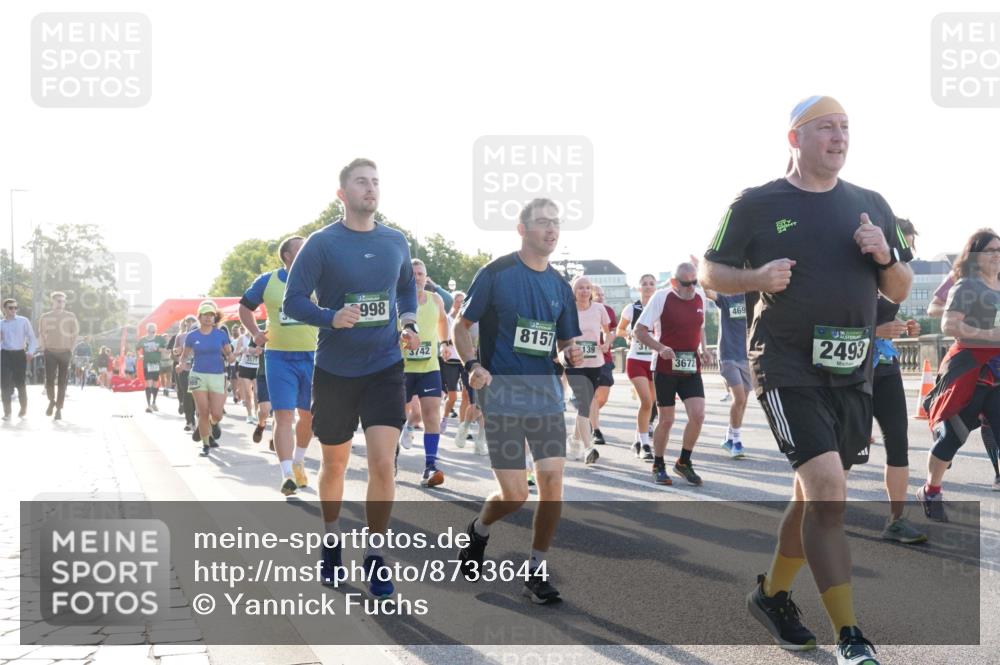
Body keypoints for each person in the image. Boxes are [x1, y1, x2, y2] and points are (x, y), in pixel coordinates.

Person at [700, 95, 913, 663]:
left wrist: (884, 255)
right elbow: (710, 269)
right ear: (795, 138)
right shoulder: (756, 202)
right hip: (786, 364)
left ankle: (771, 596)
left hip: (852, 368)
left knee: (811, 493)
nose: (839, 137)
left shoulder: (871, 204)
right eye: (826, 128)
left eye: (845, 127)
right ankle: (851, 635)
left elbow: (899, 288)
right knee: (828, 491)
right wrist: (755, 277)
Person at [283, 157, 419, 599]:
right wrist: (330, 316)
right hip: (335, 370)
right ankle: (330, 541)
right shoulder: (321, 244)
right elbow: (293, 301)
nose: (371, 188)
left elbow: (406, 287)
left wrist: (408, 321)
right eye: (361, 182)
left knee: (383, 463)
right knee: (335, 464)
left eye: (375, 181)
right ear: (342, 194)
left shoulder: (395, 241)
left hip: (385, 366)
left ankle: (376, 554)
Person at [454, 197, 582, 604]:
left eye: (556, 222)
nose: (552, 229)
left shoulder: (560, 286)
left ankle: (536, 572)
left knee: (553, 484)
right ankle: (479, 530)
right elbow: (461, 326)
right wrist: (473, 364)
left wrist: (571, 354)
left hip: (546, 397)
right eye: (543, 222)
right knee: (514, 495)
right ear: (522, 229)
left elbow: (564, 344)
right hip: (502, 396)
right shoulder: (496, 273)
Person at [918, 229, 1000, 520]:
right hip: (969, 370)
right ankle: (931, 490)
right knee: (953, 438)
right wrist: (989, 335)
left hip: (998, 371)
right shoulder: (966, 285)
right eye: (990, 250)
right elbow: (949, 326)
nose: (997, 255)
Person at [240, 237, 319, 496]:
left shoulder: (318, 278)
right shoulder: (268, 280)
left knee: (308, 415)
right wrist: (255, 333)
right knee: (283, 416)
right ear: (287, 255)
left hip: (312, 356)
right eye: (301, 248)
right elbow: (245, 307)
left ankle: (298, 462)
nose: (308, 251)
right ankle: (287, 475)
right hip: (279, 358)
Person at [866, 219, 927, 542]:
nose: (909, 250)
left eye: (912, 245)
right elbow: (825, 323)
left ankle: (896, 520)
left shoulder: (898, 275)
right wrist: (875, 331)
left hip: (886, 368)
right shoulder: (856, 272)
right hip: (851, 372)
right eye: (906, 243)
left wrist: (902, 325)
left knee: (898, 443)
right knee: (843, 449)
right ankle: (822, 516)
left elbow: (884, 311)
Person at [634, 263, 712, 485]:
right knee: (667, 420)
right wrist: (660, 348)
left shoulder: (700, 296)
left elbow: (700, 327)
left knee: (698, 415)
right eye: (686, 283)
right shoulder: (662, 297)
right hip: (665, 367)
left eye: (694, 282)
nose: (692, 287)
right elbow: (639, 331)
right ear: (674, 282)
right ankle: (658, 464)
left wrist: (704, 349)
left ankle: (684, 462)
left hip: (690, 366)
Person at [398, 258, 450, 487]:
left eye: (420, 274)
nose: (417, 278)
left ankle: (430, 466)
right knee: (396, 417)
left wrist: (445, 342)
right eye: (413, 274)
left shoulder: (435, 299)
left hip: (429, 367)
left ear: (426, 278)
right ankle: (391, 459)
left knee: (431, 415)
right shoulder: (397, 301)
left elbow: (443, 321)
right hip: (401, 369)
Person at [177, 300, 234, 456]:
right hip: (198, 375)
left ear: (214, 317)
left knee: (217, 414)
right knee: (203, 411)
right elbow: (184, 355)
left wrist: (232, 357)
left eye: (211, 315)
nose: (208, 318)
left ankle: (211, 423)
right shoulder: (192, 336)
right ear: (199, 317)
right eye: (205, 315)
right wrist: (181, 364)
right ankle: (206, 445)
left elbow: (229, 353)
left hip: (217, 375)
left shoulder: (221, 334)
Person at [565, 275, 610, 464]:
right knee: (584, 402)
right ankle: (588, 447)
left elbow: (608, 331)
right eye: (580, 288)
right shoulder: (567, 309)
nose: (584, 291)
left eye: (587, 287)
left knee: (586, 403)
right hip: (573, 362)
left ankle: (574, 440)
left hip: (594, 362)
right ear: (573, 291)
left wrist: (606, 343)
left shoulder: (599, 309)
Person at [705, 287, 750, 459]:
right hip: (728, 355)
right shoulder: (726, 297)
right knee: (739, 398)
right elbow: (708, 292)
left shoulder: (753, 298)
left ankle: (729, 437)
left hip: (747, 356)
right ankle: (736, 441)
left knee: (743, 401)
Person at [619, 274, 659, 460]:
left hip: (655, 361)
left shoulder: (660, 308)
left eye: (651, 283)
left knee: (651, 403)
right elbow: (619, 329)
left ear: (656, 287)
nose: (648, 286)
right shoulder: (631, 308)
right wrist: (628, 334)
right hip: (636, 359)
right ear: (638, 287)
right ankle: (644, 444)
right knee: (646, 401)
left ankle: (637, 439)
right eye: (644, 284)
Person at [37, 291, 79, 420]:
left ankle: (59, 409)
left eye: (63, 301)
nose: (62, 303)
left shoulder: (70, 316)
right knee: (49, 380)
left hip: (65, 352)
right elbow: (41, 333)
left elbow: (75, 334)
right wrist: (44, 348)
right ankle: (51, 401)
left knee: (62, 382)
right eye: (59, 301)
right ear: (53, 301)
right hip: (50, 352)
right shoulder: (45, 317)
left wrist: (71, 349)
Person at [590, 285, 618, 446]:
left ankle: (588, 417)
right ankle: (596, 430)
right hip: (587, 357)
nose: (600, 297)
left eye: (602, 294)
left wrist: (608, 341)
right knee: (592, 395)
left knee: (603, 396)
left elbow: (613, 330)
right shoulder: (584, 310)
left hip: (604, 357)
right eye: (597, 295)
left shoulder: (608, 310)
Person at [1, 298, 37, 420]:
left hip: (19, 354)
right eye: (10, 308)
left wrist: (30, 352)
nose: (13, 310)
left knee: (20, 382)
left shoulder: (23, 321)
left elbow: (32, 337)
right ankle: (7, 412)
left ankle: (23, 408)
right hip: (5, 354)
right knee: (4, 383)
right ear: (4, 309)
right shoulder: (1, 324)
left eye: (15, 308)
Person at [173, 316, 198, 432]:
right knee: (186, 395)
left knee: (194, 394)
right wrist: (177, 351)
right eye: (188, 321)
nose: (190, 323)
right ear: (185, 323)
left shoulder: (200, 335)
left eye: (192, 321)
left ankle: (197, 418)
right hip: (184, 369)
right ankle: (189, 421)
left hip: (196, 369)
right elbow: (174, 351)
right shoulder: (180, 336)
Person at [137, 323, 168, 413]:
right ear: (147, 331)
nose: (152, 333)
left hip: (157, 364)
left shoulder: (159, 339)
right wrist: (139, 356)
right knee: (148, 383)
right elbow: (137, 349)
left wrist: (158, 349)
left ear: (156, 330)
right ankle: (148, 405)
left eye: (154, 331)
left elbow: (166, 349)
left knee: (155, 384)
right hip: (147, 364)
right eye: (150, 331)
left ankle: (154, 402)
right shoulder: (143, 339)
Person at [233, 325, 259, 424]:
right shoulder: (242, 338)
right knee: (248, 393)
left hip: (256, 368)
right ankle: (249, 415)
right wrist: (242, 351)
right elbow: (235, 353)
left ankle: (256, 413)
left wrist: (258, 352)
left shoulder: (258, 337)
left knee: (256, 393)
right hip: (245, 367)